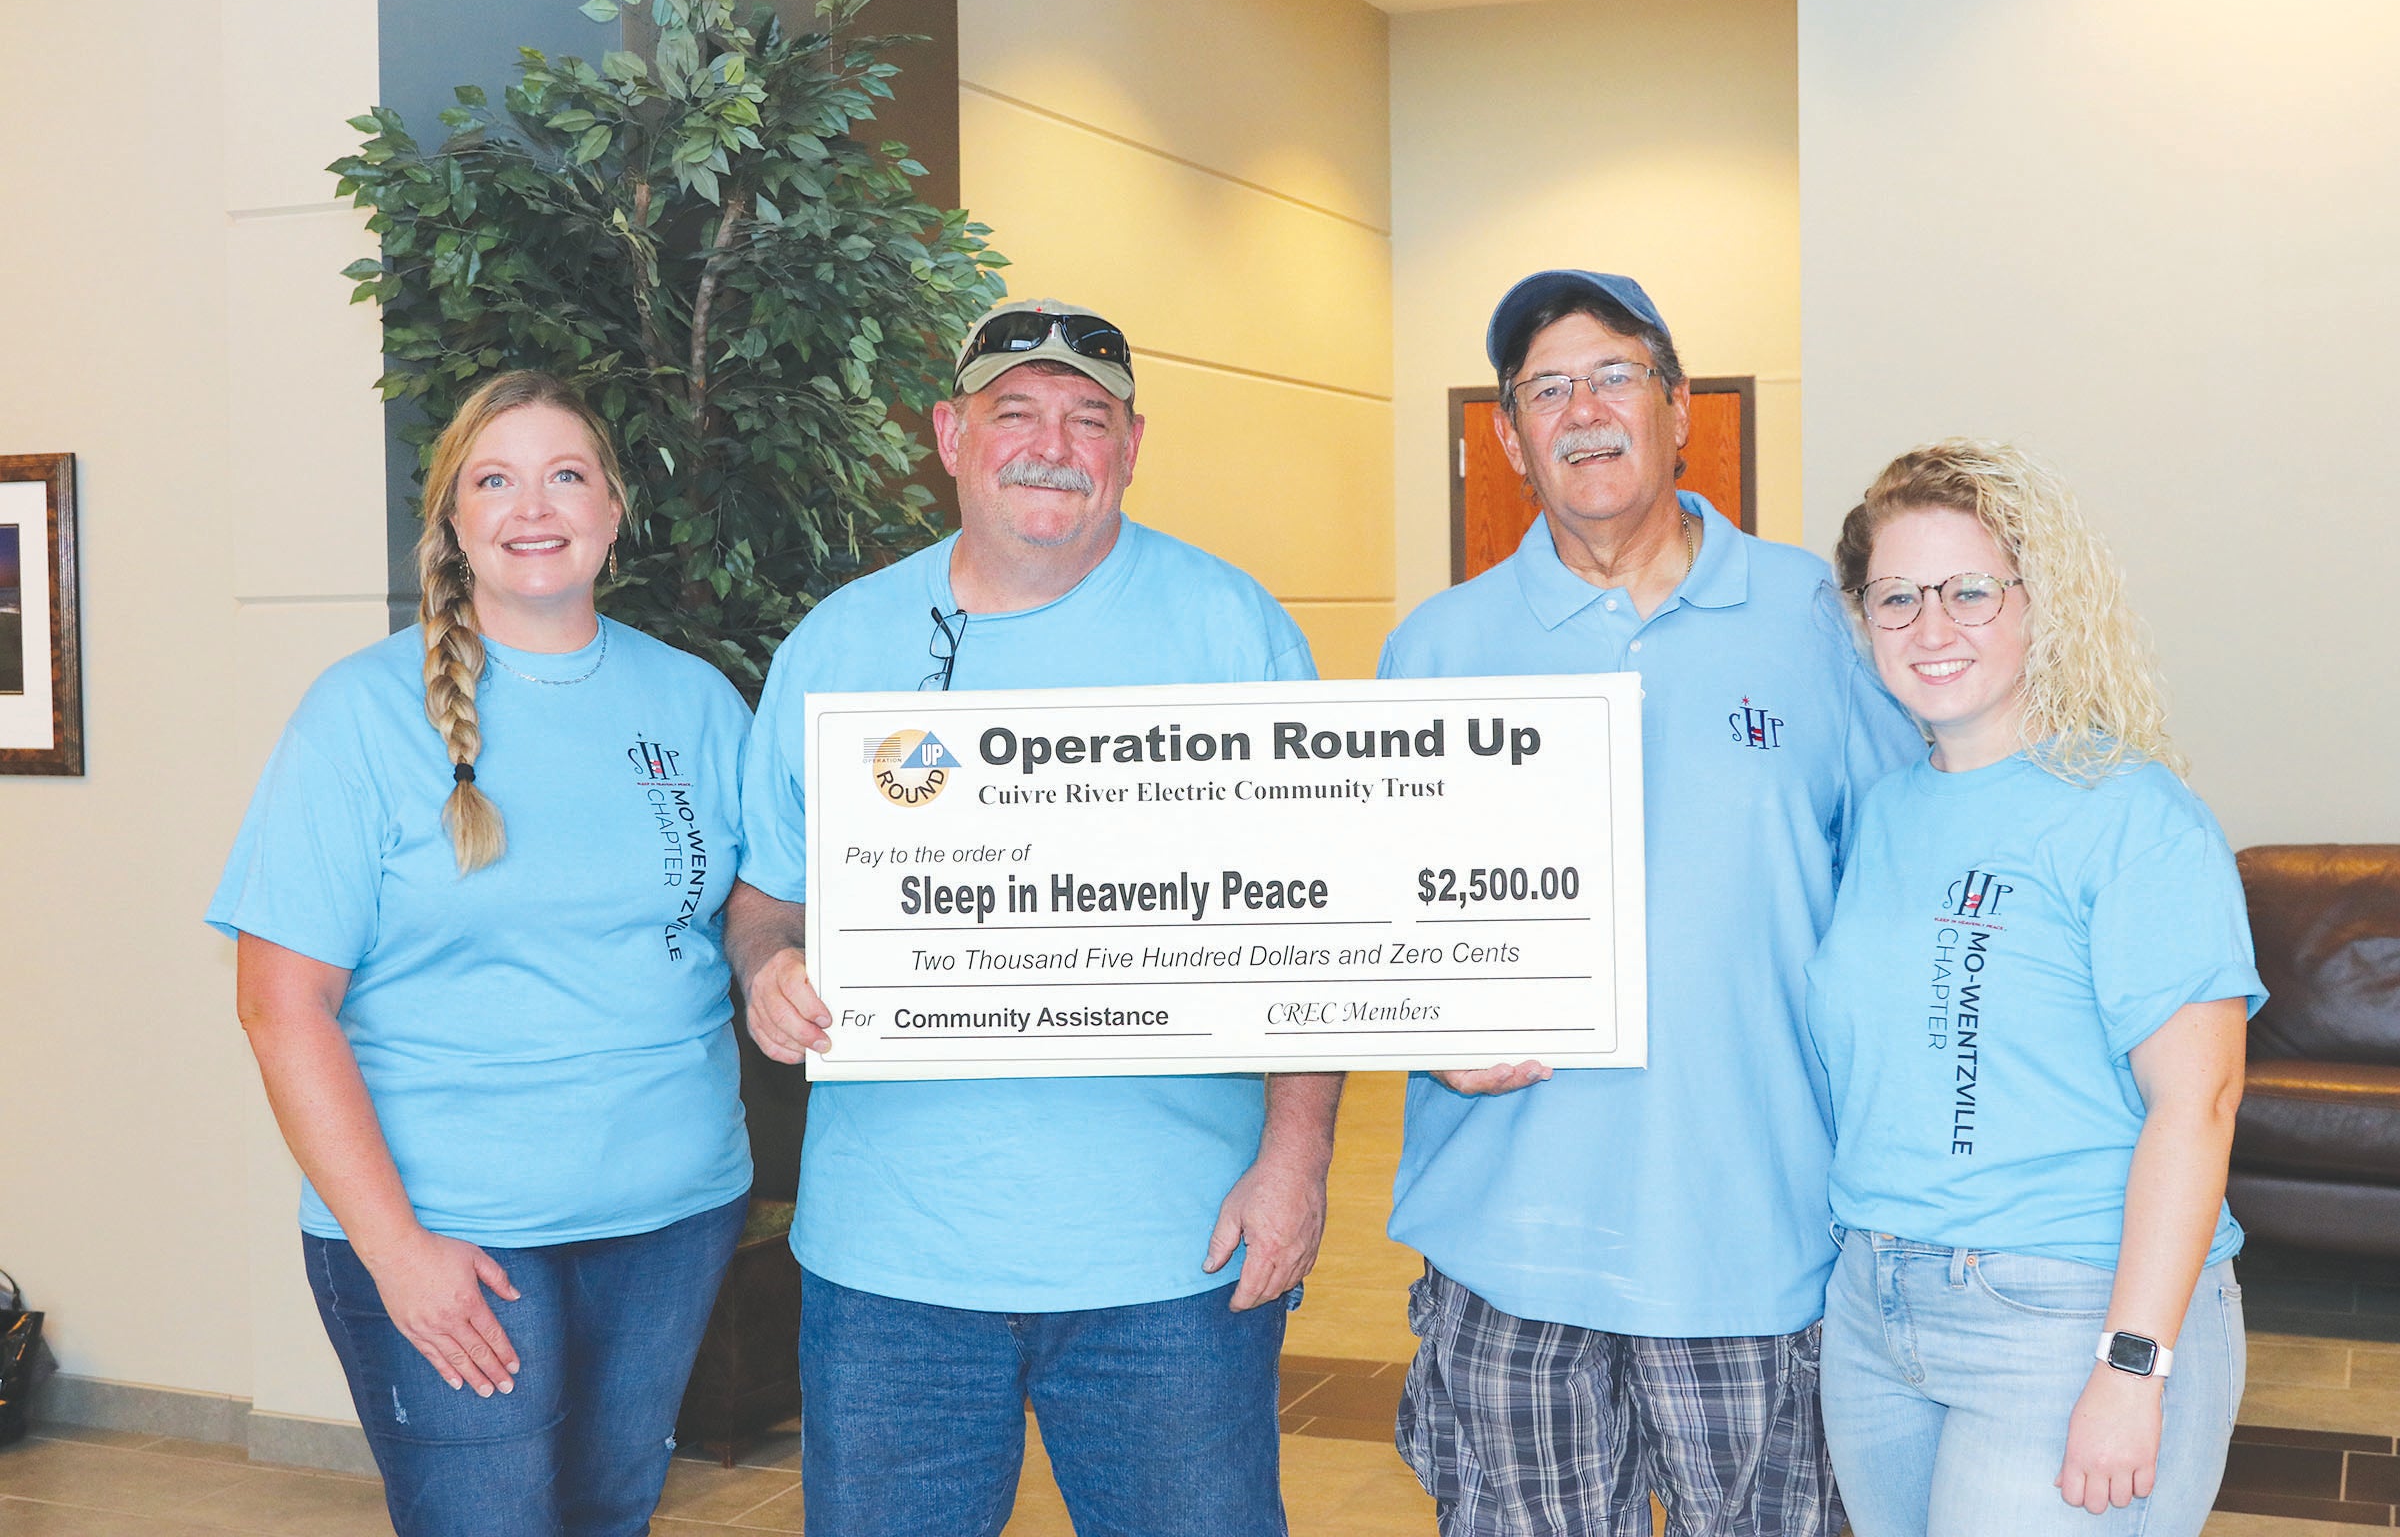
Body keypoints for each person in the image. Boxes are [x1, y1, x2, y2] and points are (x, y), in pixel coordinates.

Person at [728, 297, 1342, 1537]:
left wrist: (1297, 1156)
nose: (1051, 442)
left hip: (1174, 1254)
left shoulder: (1233, 631)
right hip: (892, 1263)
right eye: (1016, 412)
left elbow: (1317, 917)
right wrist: (767, 966)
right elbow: (762, 899)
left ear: (1132, 444)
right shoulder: (838, 646)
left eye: (1089, 417)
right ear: (951, 434)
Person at [1378, 270, 1923, 1536]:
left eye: (1615, 374)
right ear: (1508, 436)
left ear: (1680, 407)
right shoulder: (1438, 645)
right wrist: (1419, 1026)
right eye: (1546, 388)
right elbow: (1378, 918)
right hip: (1507, 1243)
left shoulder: (1818, 618)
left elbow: (1902, 884)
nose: (1584, 409)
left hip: (1755, 1235)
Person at [209, 371, 754, 1536]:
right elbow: (279, 1002)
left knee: (608, 1517)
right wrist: (395, 1249)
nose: (534, 506)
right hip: (452, 1225)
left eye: (567, 475)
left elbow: (759, 913)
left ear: (613, 510)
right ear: (454, 524)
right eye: (494, 480)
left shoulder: (698, 701)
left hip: (671, 1215)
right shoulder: (358, 713)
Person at [1807, 440, 2259, 1535]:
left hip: (2070, 1310)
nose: (1931, 627)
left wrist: (2134, 1364)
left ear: (2036, 603)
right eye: (1896, 597)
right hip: (1875, 1307)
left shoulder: (2129, 813)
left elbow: (2197, 1103)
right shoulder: (1881, 814)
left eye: (1969, 591)